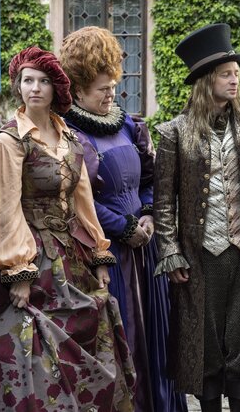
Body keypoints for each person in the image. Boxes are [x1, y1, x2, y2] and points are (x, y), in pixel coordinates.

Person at [0, 46, 135, 411]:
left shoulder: (69, 137)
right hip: (33, 257)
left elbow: (83, 202)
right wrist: (18, 271)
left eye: (43, 81)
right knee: (36, 352)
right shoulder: (10, 140)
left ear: (56, 88)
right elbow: (5, 209)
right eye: (27, 81)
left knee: (88, 344)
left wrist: (98, 253)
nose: (34, 88)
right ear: (18, 86)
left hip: (73, 254)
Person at [154, 23, 240, 412]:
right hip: (199, 252)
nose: (234, 81)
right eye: (227, 74)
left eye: (236, 74)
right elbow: (164, 200)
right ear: (206, 79)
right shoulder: (174, 133)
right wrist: (171, 250)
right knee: (206, 340)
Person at [60, 26, 187, 412]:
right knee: (122, 337)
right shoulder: (68, 133)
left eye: (113, 86)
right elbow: (76, 197)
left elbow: (149, 180)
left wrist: (147, 214)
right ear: (77, 90)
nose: (110, 94)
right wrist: (124, 227)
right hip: (105, 253)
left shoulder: (130, 125)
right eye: (102, 89)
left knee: (155, 338)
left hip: (145, 250)